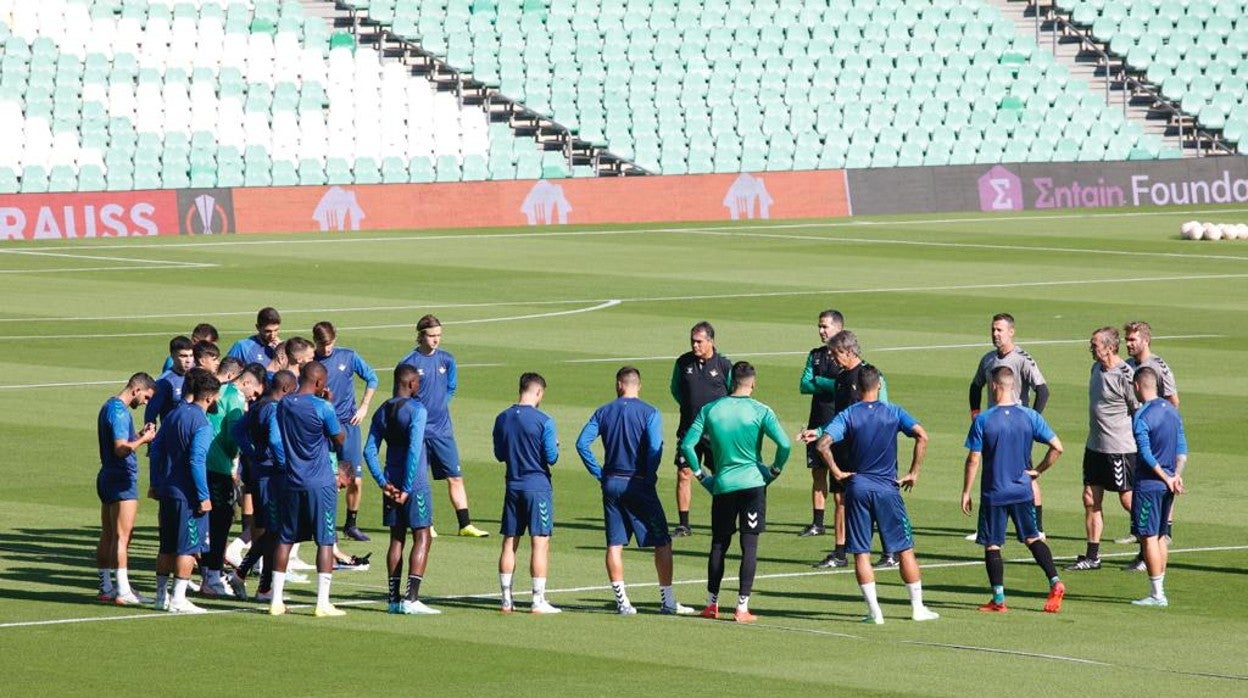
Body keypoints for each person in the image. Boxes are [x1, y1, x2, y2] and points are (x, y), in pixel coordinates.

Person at [799, 364, 938, 624]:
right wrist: (913, 472)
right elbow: (922, 436)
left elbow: (822, 444)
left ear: (856, 387)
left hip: (858, 487)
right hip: (887, 488)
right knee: (905, 549)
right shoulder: (893, 411)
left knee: (861, 552)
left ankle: (875, 613)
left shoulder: (849, 414)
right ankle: (918, 609)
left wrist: (837, 472)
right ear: (880, 385)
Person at [576, 366, 695, 616]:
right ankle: (668, 600)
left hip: (611, 483)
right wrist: (649, 477)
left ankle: (622, 602)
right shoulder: (650, 412)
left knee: (614, 543)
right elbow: (654, 448)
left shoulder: (604, 411)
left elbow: (582, 443)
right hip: (639, 483)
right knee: (662, 541)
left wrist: (599, 473)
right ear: (637, 386)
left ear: (619, 384)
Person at [681, 361, 789, 623]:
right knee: (748, 546)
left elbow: (687, 446)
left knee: (719, 544)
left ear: (730, 382)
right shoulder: (761, 410)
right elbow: (785, 445)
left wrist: (701, 475)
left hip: (723, 485)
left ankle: (711, 605)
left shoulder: (711, 409)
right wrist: (773, 471)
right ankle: (742, 608)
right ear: (753, 382)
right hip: (753, 485)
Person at [961, 366, 1066, 613]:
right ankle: (1055, 581)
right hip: (1022, 491)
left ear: (994, 386)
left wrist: (966, 491)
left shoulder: (984, 419)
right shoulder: (1030, 416)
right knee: (1032, 537)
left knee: (992, 544)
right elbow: (1057, 447)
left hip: (994, 493)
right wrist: (1038, 470)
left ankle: (998, 599)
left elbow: (973, 459)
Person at [397, 315, 489, 538]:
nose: (436, 340)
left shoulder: (447, 360)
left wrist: (439, 405)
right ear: (420, 336)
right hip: (418, 432)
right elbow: (398, 399)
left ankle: (465, 524)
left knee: (455, 477)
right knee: (420, 480)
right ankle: (425, 524)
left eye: (439, 335)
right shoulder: (408, 363)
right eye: (431, 335)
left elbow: (451, 388)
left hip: (442, 431)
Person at [269, 361, 347, 617]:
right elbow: (338, 438)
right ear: (318, 382)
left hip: (292, 480)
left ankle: (276, 601)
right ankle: (322, 603)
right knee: (325, 540)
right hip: (320, 482)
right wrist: (330, 405)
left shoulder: (284, 404)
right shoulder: (323, 407)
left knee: (285, 538)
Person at [813, 330, 893, 569]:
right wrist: (819, 433)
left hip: (864, 450)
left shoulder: (867, 376)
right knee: (840, 498)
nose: (833, 359)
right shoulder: (840, 377)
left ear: (848, 352)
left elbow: (873, 414)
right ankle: (840, 553)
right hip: (841, 448)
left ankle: (890, 551)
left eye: (836, 354)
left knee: (872, 500)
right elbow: (841, 418)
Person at [364, 364, 440, 615]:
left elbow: (369, 451)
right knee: (422, 536)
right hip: (413, 483)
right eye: (418, 382)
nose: (419, 386)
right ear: (410, 384)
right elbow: (414, 450)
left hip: (390, 482)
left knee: (396, 538)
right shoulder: (417, 410)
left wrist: (383, 482)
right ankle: (412, 598)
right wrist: (407, 487)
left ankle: (393, 600)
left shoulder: (382, 411)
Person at [967, 313, 1051, 540]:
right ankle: (990, 525)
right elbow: (975, 386)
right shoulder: (988, 359)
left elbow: (1042, 390)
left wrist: (1031, 422)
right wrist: (975, 415)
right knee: (992, 471)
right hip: (993, 427)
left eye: (999, 330)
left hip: (1015, 429)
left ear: (1011, 332)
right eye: (993, 329)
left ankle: (1038, 527)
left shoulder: (1023, 359)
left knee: (1027, 474)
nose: (995, 334)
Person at [1067, 327, 1139, 571]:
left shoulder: (1126, 376)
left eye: (1095, 344)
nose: (1091, 348)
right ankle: (1092, 556)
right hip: (1095, 447)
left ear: (1109, 347)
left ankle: (1148, 546)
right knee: (1090, 499)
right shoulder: (1096, 368)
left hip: (1119, 449)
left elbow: (1138, 411)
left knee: (1128, 500)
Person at [152, 368, 218, 614]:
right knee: (189, 547)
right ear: (209, 397)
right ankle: (178, 599)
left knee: (166, 545)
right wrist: (203, 496)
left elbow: (156, 449)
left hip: (167, 490)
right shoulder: (202, 423)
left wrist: (155, 482)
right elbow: (196, 460)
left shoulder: (173, 414)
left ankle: (161, 597)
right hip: (187, 495)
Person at [493, 372, 560, 614]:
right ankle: (537, 600)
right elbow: (552, 457)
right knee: (539, 543)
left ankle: (505, 600)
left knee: (510, 542)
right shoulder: (544, 421)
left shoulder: (502, 418)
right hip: (537, 487)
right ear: (538, 392)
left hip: (513, 485)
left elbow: (499, 454)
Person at [228, 370, 298, 601]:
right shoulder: (274, 408)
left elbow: (237, 431)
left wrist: (252, 453)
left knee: (270, 530)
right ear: (286, 389)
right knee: (275, 532)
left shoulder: (259, 404)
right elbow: (277, 441)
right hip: (272, 476)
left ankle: (257, 583)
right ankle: (254, 582)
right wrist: (283, 465)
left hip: (258, 474)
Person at [199, 363, 265, 598]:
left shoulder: (221, 390)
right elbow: (231, 437)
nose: (255, 397)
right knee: (221, 522)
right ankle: (213, 577)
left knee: (206, 522)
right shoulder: (236, 399)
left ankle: (207, 573)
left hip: (202, 462)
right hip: (219, 466)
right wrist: (238, 457)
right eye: (255, 392)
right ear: (246, 382)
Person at [313, 321, 379, 542]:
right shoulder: (310, 361)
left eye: (329, 344)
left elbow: (372, 378)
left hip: (348, 427)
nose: (326, 349)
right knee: (326, 480)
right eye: (322, 345)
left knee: (354, 480)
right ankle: (325, 525)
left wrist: (364, 407)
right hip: (322, 429)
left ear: (335, 339)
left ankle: (351, 524)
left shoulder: (349, 357)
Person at [1121, 321, 1181, 566]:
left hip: (1153, 436)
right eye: (1127, 339)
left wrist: (1157, 426)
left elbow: (1173, 401)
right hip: (1133, 434)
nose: (1128, 343)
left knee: (1155, 485)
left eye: (1133, 339)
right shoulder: (1128, 366)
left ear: (1146, 340)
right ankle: (1148, 544)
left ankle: (1160, 538)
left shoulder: (1158, 367)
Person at [95, 373, 158, 605]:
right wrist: (145, 439)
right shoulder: (120, 412)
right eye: (146, 397)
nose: (145, 402)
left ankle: (106, 586)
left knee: (109, 534)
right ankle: (123, 591)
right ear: (136, 390)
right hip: (122, 479)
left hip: (107, 476)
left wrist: (139, 436)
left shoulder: (108, 406)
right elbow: (121, 449)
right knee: (123, 537)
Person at [1128, 367, 1187, 607]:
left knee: (1148, 536)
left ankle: (1157, 594)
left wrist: (1164, 477)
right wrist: (1175, 476)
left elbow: (1145, 454)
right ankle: (1159, 591)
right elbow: (1182, 448)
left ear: (1137, 386)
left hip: (1150, 484)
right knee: (1161, 535)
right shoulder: (1172, 411)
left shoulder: (1141, 416)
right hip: (1169, 483)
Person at [670, 321, 733, 537]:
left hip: (716, 432)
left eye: (699, 341)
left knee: (720, 474)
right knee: (684, 473)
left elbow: (734, 395)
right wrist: (690, 406)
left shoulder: (724, 364)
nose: (695, 345)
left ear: (710, 341)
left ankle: (723, 519)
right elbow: (676, 389)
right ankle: (684, 524)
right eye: (692, 341)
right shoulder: (683, 362)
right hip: (689, 429)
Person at [798, 309, 843, 537]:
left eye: (825, 326)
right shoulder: (815, 355)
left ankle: (843, 521)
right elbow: (804, 384)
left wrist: (822, 381)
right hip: (816, 419)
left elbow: (841, 385)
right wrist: (830, 383)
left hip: (838, 423)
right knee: (817, 472)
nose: (821, 331)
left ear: (838, 328)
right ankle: (818, 522)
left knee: (839, 475)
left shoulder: (845, 355)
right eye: (819, 326)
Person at [145, 336, 194, 425]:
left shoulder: (198, 374)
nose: (188, 360)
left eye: (191, 355)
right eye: (183, 356)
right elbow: (150, 415)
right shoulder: (164, 382)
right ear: (173, 356)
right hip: (173, 435)